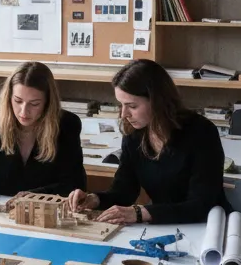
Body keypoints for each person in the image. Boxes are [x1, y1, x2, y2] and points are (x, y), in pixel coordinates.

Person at [66, 59, 225, 225]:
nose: (123, 114)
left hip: (208, 227)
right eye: (121, 105)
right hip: (165, 225)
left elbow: (200, 205)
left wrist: (140, 212)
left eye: (132, 106)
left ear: (157, 102)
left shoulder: (201, 132)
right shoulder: (134, 133)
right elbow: (124, 192)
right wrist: (95, 199)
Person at [0, 61, 86, 206]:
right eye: (17, 101)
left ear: (48, 102)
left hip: (46, 210)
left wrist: (37, 196)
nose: (23, 112)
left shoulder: (67, 124)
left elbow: (75, 183)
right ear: (9, 97)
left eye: (34, 104)